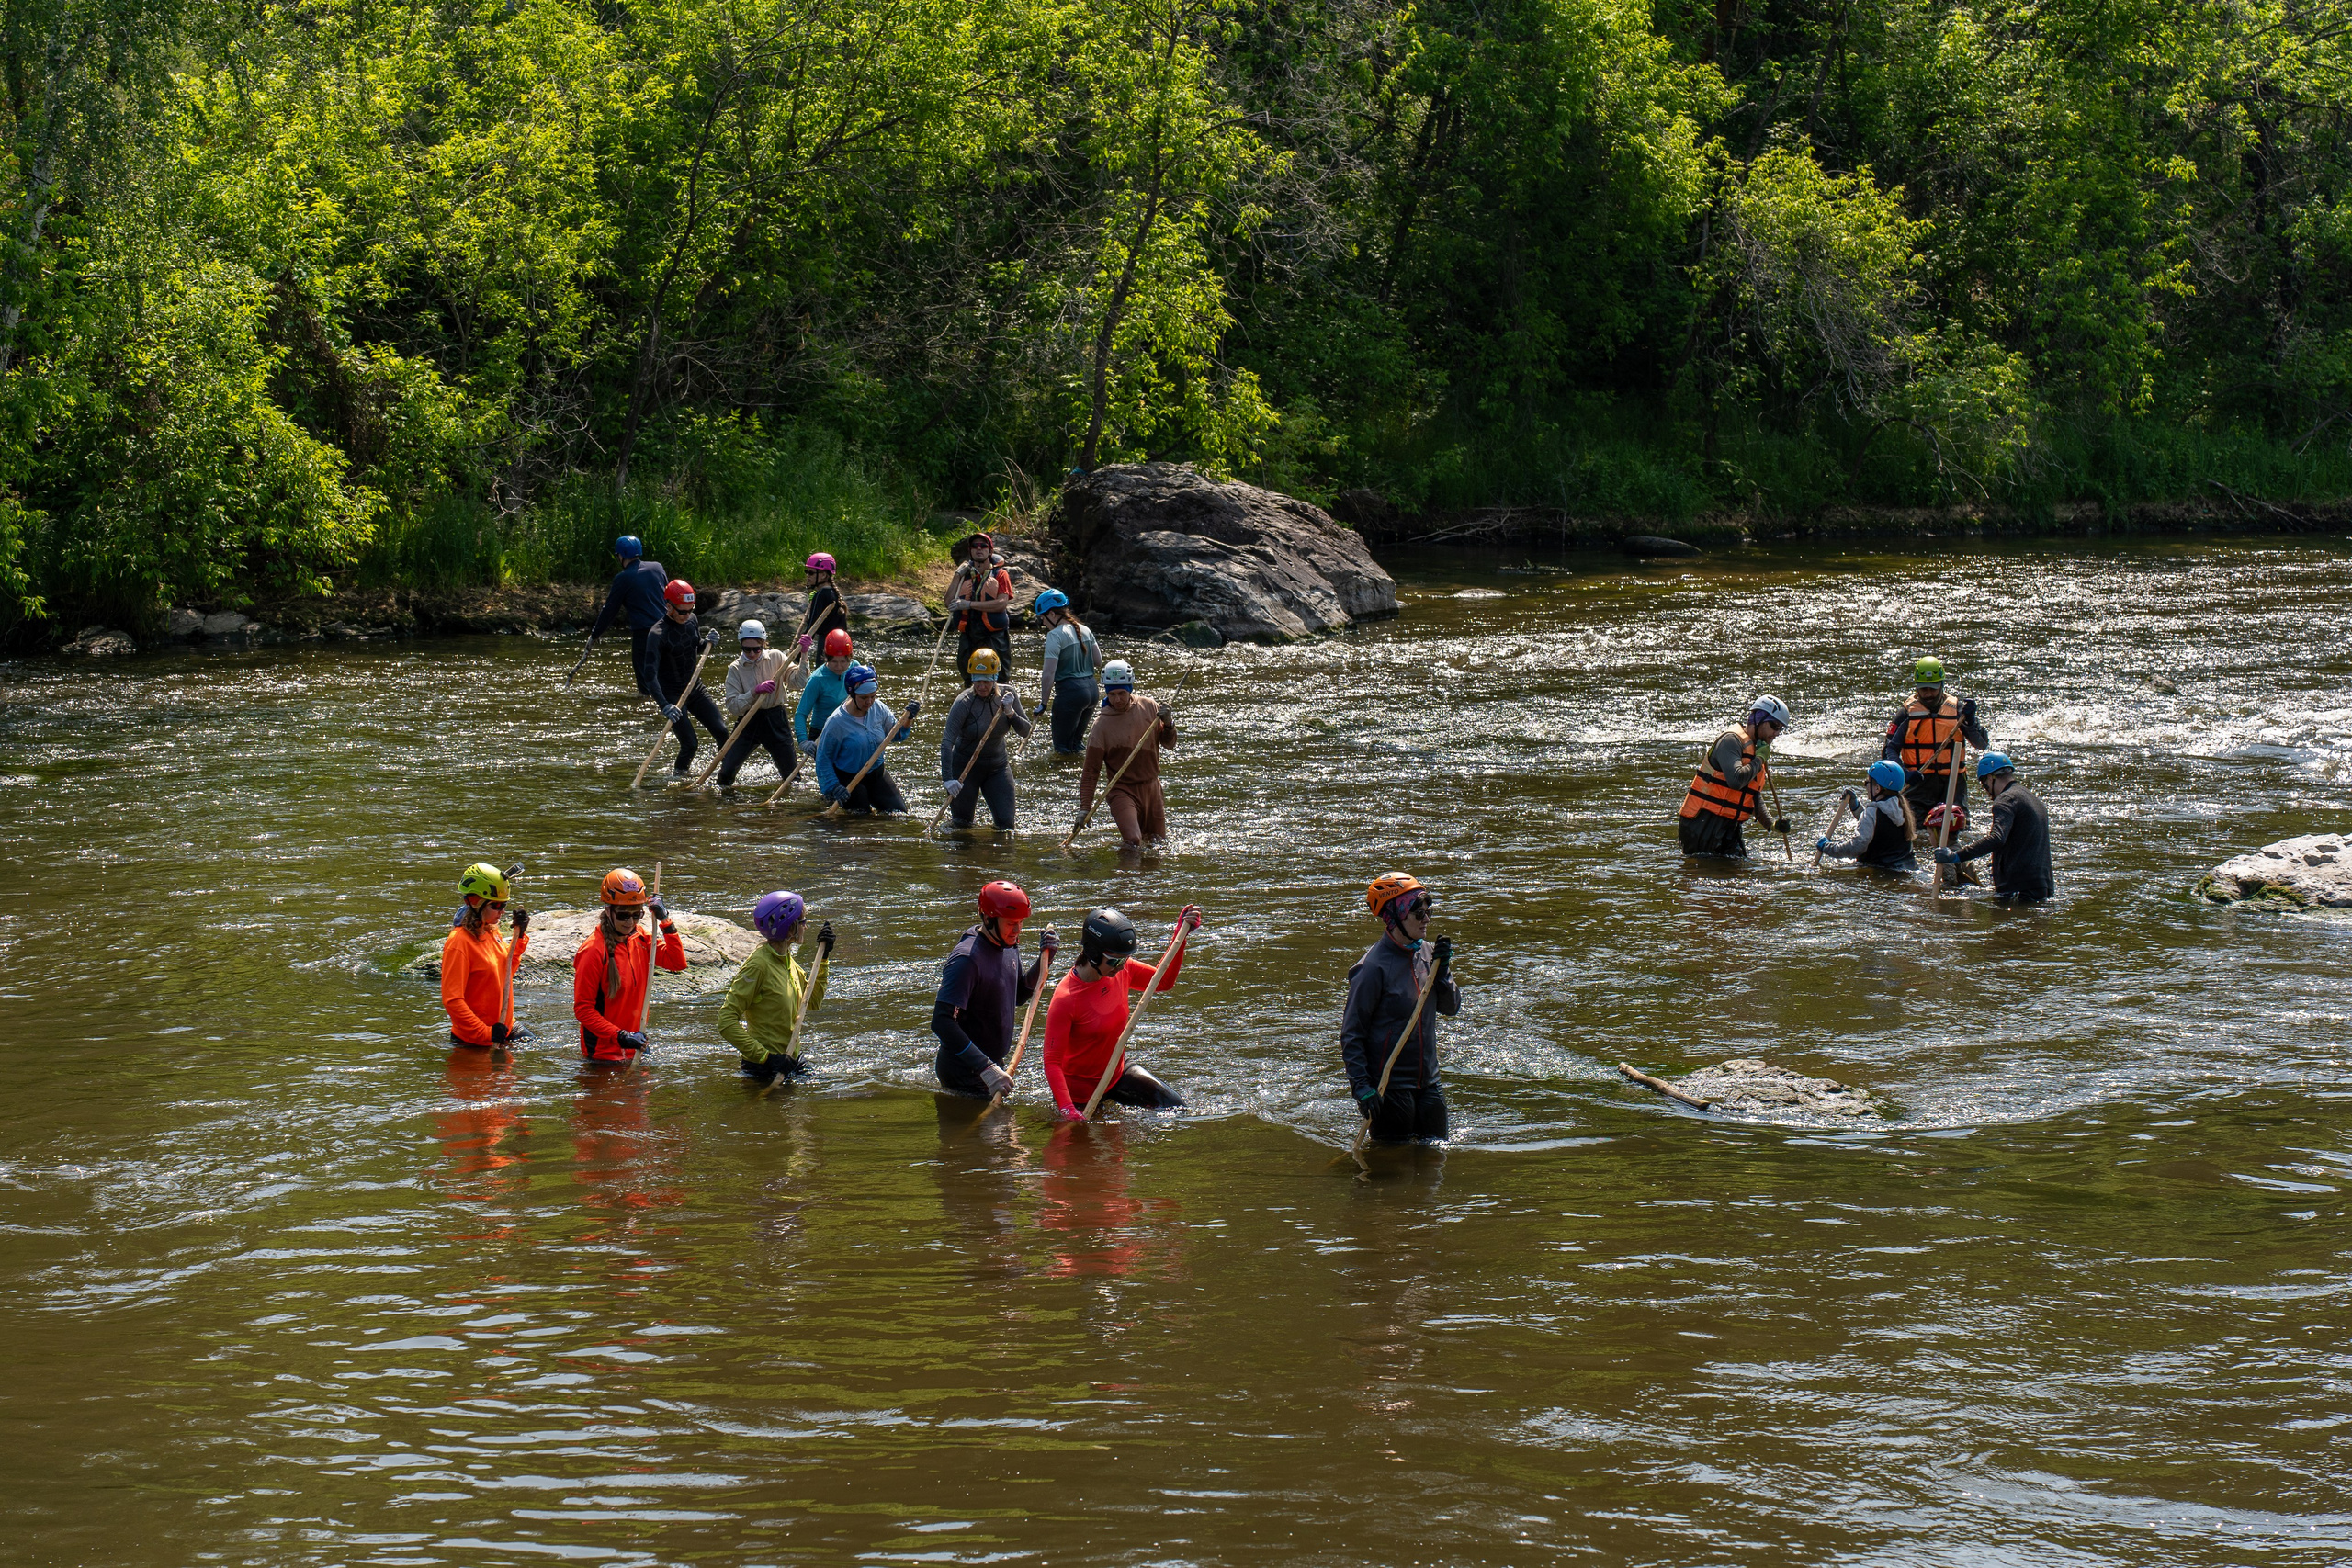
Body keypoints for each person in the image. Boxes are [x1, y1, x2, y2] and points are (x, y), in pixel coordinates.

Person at [1041, 907, 1197, 1118]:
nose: (1122, 967)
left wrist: (1181, 935)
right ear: (1093, 954)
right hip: (1080, 1093)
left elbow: (1164, 981)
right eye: (1115, 961)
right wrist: (1067, 1108)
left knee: (1176, 1109)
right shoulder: (1066, 998)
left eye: (1124, 959)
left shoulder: (1123, 970)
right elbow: (1052, 1062)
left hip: (1116, 1073)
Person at [1343, 874, 1460, 1144]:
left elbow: (1451, 1007)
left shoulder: (1430, 954)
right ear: (1395, 917)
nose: (1426, 919)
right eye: (1419, 913)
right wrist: (1362, 1088)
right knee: (1392, 1165)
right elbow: (1352, 1035)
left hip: (1430, 1084)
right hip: (1389, 1091)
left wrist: (1443, 973)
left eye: (1429, 912)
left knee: (1436, 1161)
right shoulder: (1371, 968)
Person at [930, 882, 1057, 1099]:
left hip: (993, 1066)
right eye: (1011, 923)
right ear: (988, 919)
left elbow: (1018, 995)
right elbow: (941, 1022)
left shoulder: (1008, 944)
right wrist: (986, 1068)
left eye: (1021, 922)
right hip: (965, 1075)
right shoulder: (967, 960)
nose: (1017, 930)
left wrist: (1046, 960)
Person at [718, 891, 836, 1085]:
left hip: (791, 1061)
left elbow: (813, 1002)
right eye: (802, 921)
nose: (806, 926)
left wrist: (824, 959)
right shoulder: (758, 965)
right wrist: (767, 1058)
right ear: (789, 928)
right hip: (764, 1068)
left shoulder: (788, 961)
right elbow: (726, 1021)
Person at [572, 868, 687, 1065]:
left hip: (636, 1046)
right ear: (608, 910)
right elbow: (583, 1010)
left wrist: (665, 920)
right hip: (604, 1054)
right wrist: (621, 1036)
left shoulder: (642, 938)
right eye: (623, 915)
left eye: (636, 915)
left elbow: (677, 963)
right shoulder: (592, 951)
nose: (630, 922)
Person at [1677, 694, 1794, 858]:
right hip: (1703, 825)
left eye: (1780, 728)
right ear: (1758, 719)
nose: (1776, 733)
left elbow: (1752, 794)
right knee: (1709, 871)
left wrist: (1771, 825)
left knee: (1739, 871)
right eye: (1774, 725)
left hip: (1730, 828)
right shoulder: (1731, 741)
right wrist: (1760, 759)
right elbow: (1736, 780)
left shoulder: (1756, 749)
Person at [1076, 660, 1178, 845]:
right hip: (1122, 790)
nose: (1117, 700)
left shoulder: (1150, 707)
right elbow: (1091, 771)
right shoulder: (1101, 726)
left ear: (1130, 689)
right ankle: (1125, 864)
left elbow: (1169, 745)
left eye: (1122, 693)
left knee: (1157, 842)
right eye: (1112, 694)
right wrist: (1085, 808)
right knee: (1132, 840)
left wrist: (1169, 723)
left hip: (1152, 787)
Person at [1935, 751, 2054, 902]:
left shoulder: (2006, 800)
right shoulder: (2031, 798)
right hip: (2042, 884)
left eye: (1984, 784)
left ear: (1991, 778)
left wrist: (1957, 856)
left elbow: (1997, 838)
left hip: (2018, 887)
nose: (1987, 792)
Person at [1883, 657, 1989, 817]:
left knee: (1958, 827)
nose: (1928, 694)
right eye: (1924, 689)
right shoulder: (1906, 714)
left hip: (1953, 786)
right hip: (1918, 786)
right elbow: (1888, 750)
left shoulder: (1958, 710)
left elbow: (1982, 744)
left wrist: (1971, 721)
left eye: (1933, 688)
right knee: (1914, 828)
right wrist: (1904, 774)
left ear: (1942, 684)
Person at [939, 648, 1033, 829]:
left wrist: (1010, 712)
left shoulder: (1008, 695)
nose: (982, 686)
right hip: (965, 768)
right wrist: (948, 779)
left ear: (995, 678)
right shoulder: (964, 702)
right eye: (977, 681)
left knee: (1006, 825)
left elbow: (1026, 732)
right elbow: (947, 742)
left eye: (987, 681)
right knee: (962, 826)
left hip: (997, 767)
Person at [442, 862, 530, 1047]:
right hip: (475, 1039)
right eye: (496, 905)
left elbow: (505, 973)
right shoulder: (459, 943)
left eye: (504, 904)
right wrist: (486, 1033)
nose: (502, 911)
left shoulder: (490, 930)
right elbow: (453, 1001)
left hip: (505, 1027)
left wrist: (520, 935)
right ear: (475, 902)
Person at [813, 663, 917, 815]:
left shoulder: (879, 709)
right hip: (849, 781)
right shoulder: (836, 723)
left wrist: (909, 719)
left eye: (873, 696)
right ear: (852, 694)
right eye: (864, 698)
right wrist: (834, 787)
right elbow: (823, 759)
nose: (869, 702)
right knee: (862, 818)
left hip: (876, 774)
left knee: (899, 814)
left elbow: (897, 735)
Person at [651, 578, 729, 775]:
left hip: (695, 688)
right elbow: (649, 676)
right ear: (669, 606)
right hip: (672, 695)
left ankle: (725, 776)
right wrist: (664, 705)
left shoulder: (692, 620)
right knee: (690, 744)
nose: (686, 615)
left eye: (690, 610)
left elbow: (692, 646)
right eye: (682, 612)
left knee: (723, 733)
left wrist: (707, 643)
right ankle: (679, 779)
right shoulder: (657, 634)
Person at [715, 618, 801, 787]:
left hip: (775, 719)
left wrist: (804, 655)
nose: (752, 653)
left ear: (763, 644)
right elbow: (733, 706)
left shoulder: (776, 657)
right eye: (747, 649)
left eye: (757, 649)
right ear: (741, 646)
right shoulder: (735, 669)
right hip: (749, 721)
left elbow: (799, 682)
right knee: (725, 774)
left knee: (792, 776)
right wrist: (754, 692)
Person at [586, 535, 671, 697]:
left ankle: (649, 709)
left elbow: (610, 610)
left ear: (621, 556)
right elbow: (668, 595)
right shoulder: (657, 568)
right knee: (666, 678)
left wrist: (595, 634)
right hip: (667, 629)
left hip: (644, 636)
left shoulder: (623, 578)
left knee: (646, 687)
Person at [1033, 589, 1102, 755]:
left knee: (1062, 749)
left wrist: (1043, 703)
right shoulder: (1085, 629)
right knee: (1077, 745)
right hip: (1092, 692)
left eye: (1043, 618)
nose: (1043, 623)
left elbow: (1048, 673)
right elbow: (1098, 661)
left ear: (1052, 614)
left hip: (1071, 694)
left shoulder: (1054, 636)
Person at [1817, 759, 1920, 871]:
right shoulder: (1901, 807)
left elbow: (1856, 847)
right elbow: (1878, 825)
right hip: (1907, 869)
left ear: (1877, 788)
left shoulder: (1872, 812)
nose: (1865, 785)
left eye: (1867, 782)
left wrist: (1827, 847)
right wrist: (1856, 806)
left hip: (1882, 871)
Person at [951, 532, 1015, 680]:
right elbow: (949, 602)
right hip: (969, 635)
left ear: (990, 551)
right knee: (969, 678)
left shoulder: (1000, 574)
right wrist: (957, 575)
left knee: (999, 678)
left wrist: (969, 604)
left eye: (983, 546)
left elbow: (1001, 604)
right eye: (974, 546)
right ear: (970, 551)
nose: (978, 548)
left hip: (993, 636)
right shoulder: (964, 576)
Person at [796, 628, 856, 745]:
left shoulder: (854, 668)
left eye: (844, 662)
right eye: (834, 662)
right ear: (826, 658)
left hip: (847, 729)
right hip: (822, 733)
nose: (839, 667)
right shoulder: (817, 679)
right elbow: (801, 713)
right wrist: (803, 741)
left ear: (850, 658)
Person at [798, 552, 851, 649]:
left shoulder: (820, 595)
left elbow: (811, 629)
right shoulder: (835, 594)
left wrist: (797, 654)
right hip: (842, 644)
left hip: (826, 645)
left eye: (811, 573)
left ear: (823, 575)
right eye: (807, 572)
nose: (807, 576)